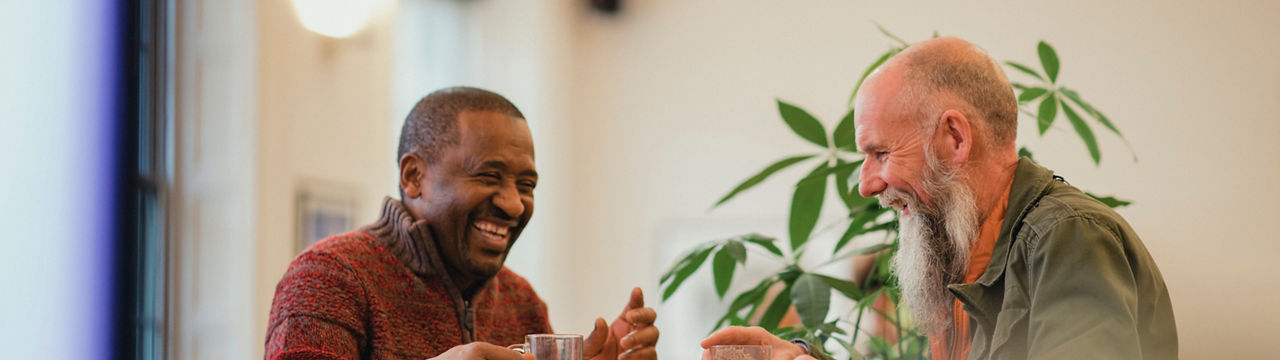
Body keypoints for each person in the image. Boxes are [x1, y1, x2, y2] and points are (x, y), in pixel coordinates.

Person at [701, 37, 1177, 359]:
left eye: (881, 153)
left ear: (954, 138)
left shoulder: (1067, 237)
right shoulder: (962, 253)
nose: (866, 185)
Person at [265, 87, 659, 360]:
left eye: (527, 185)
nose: (514, 204)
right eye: (489, 177)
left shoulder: (521, 301)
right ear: (414, 176)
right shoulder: (327, 278)